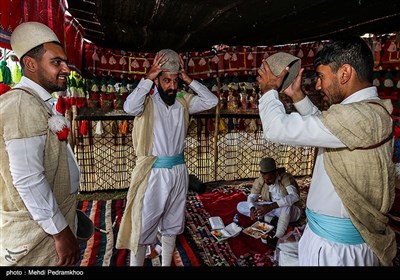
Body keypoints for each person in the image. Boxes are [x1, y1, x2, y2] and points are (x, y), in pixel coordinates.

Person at [257, 37, 396, 266]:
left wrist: (269, 91)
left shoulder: (359, 116)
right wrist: (298, 96)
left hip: (337, 253)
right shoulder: (364, 113)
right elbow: (326, 127)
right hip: (331, 244)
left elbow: (275, 129)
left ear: (344, 73)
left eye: (322, 77)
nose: (318, 86)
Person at [116, 49, 219, 266]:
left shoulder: (183, 101)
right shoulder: (147, 102)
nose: (172, 86)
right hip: (153, 174)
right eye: (166, 80)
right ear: (156, 80)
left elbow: (212, 101)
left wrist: (188, 79)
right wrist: (147, 79)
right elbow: (128, 107)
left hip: (179, 171)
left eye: (174, 81)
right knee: (144, 226)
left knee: (172, 224)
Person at [0, 21, 81, 266]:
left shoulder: (37, 101)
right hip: (36, 233)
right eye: (56, 62)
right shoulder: (23, 105)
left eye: (64, 61)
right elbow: (28, 179)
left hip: (50, 221)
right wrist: (59, 231)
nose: (66, 68)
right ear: (31, 64)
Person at [237, 157, 301, 242]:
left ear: (275, 173)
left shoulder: (286, 178)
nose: (266, 181)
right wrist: (252, 208)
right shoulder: (261, 180)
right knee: (240, 206)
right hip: (272, 210)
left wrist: (271, 206)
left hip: (291, 212)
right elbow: (251, 197)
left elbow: (294, 196)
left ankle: (277, 236)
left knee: (287, 204)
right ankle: (271, 220)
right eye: (265, 178)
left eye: (270, 178)